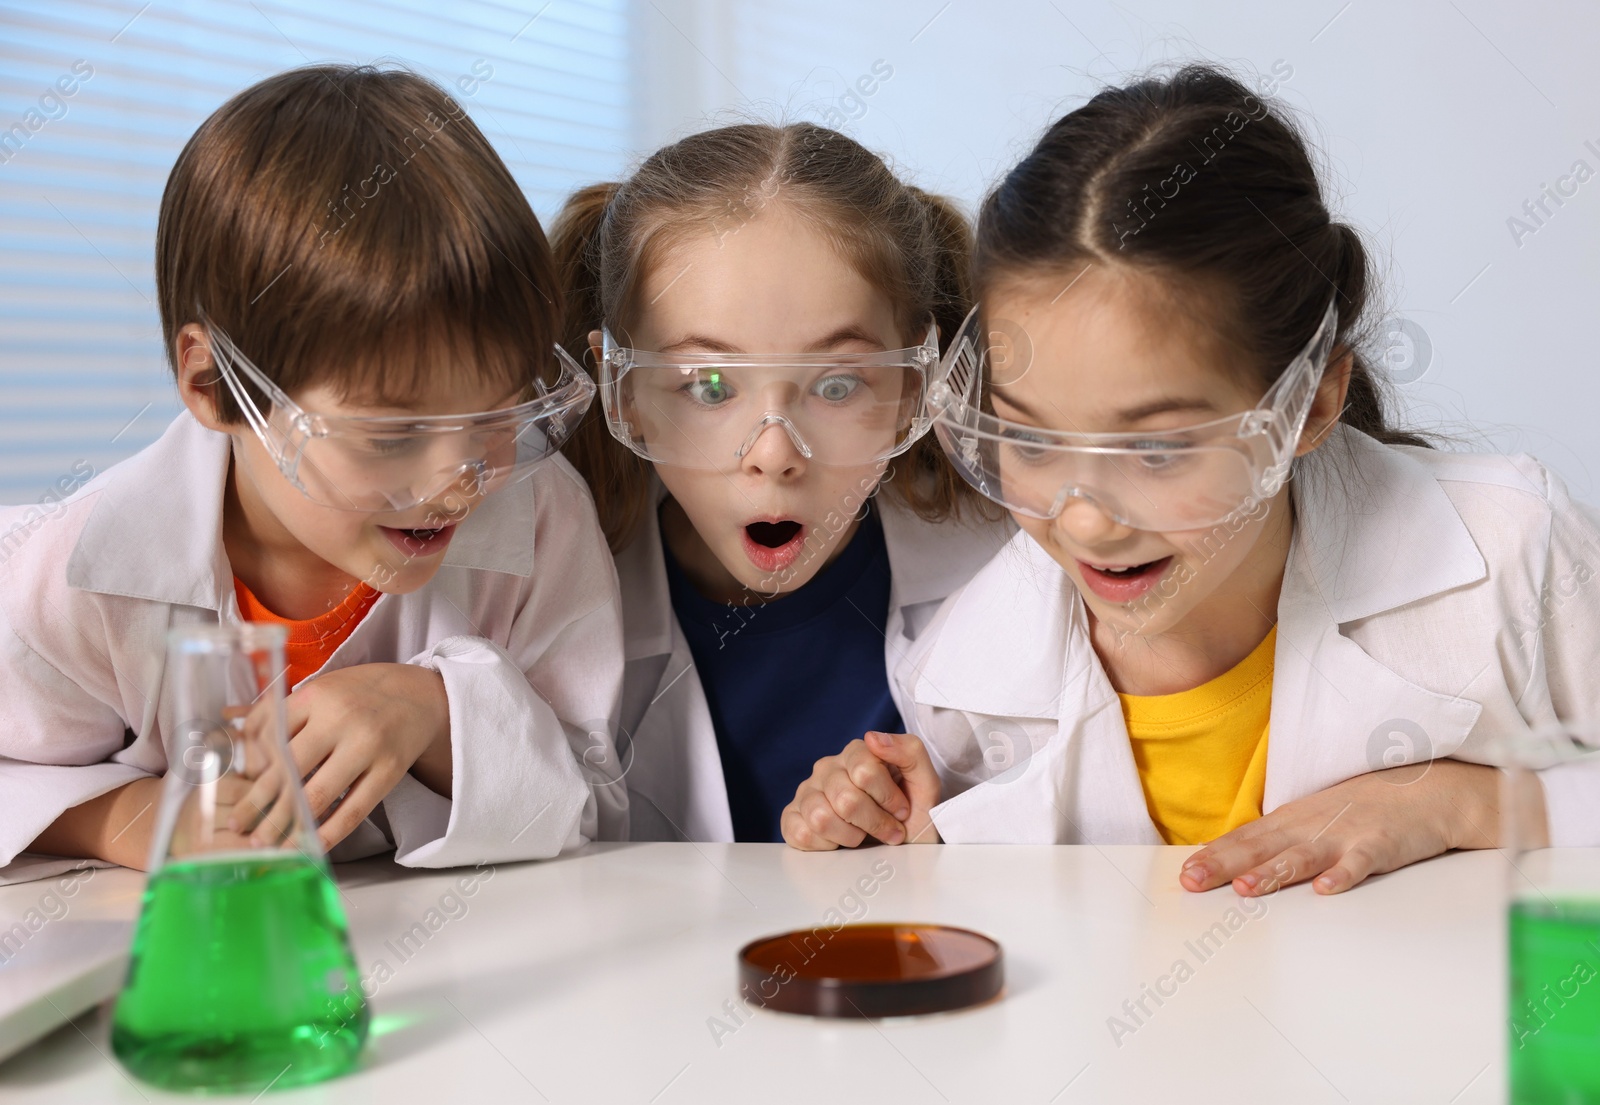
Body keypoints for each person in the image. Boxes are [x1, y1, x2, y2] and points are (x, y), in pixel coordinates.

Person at [784, 65, 1600, 895]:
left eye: (1157, 451)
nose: (1087, 521)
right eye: (1028, 438)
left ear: (1310, 404)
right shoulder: (963, 678)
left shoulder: (1514, 554)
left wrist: (1465, 805)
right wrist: (888, 834)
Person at [0, 64, 625, 884]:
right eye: (392, 430)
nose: (459, 479)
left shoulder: (541, 516)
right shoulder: (79, 570)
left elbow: (600, 803)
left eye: (498, 414)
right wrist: (139, 821)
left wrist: (432, 712)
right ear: (213, 385)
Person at [550, 122, 1011, 843]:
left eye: (834, 384)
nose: (772, 453)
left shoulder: (1016, 571)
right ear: (624, 390)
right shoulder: (549, 603)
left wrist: (952, 833)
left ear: (916, 385)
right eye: (708, 385)